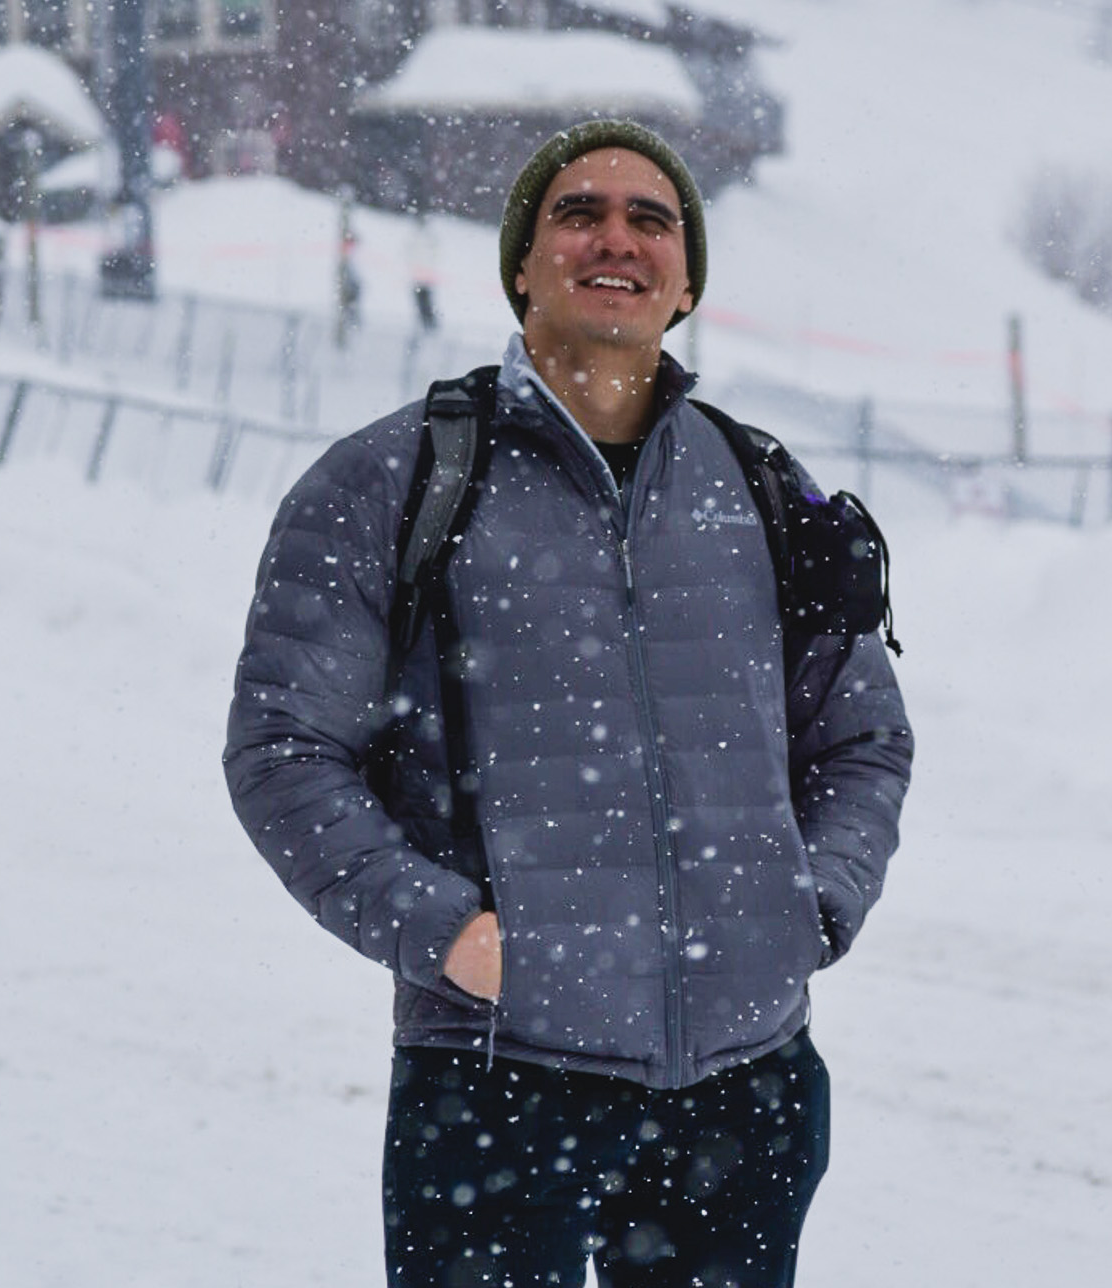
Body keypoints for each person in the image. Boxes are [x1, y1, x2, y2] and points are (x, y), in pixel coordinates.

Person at [224, 119, 913, 1287]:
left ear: (684, 278)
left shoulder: (761, 484)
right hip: (495, 1070)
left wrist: (812, 903)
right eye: (577, 211)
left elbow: (861, 737)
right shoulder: (392, 479)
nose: (617, 237)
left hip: (744, 1083)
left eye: (652, 219)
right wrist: (444, 932)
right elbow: (284, 749)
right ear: (519, 265)